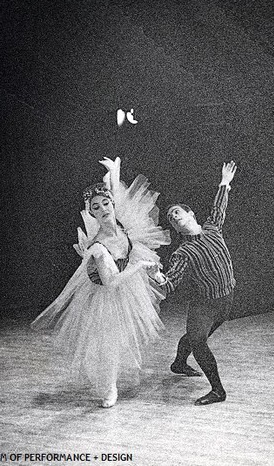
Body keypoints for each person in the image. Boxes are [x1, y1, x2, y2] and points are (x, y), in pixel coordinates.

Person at [31, 157, 170, 408]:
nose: (104, 209)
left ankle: (111, 383)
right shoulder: (97, 246)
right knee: (107, 344)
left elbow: (125, 205)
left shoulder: (123, 225)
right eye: (97, 207)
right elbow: (111, 281)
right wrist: (139, 267)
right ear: (92, 213)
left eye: (106, 203)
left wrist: (113, 174)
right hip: (105, 293)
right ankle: (109, 388)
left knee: (122, 338)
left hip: (128, 285)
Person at [149, 161, 237, 406]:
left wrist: (224, 182)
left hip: (226, 300)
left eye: (177, 212)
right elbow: (169, 285)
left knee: (193, 336)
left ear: (191, 214)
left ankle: (178, 363)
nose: (173, 217)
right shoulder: (182, 253)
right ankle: (218, 390)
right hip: (204, 304)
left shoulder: (212, 228)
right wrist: (157, 275)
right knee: (198, 340)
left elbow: (219, 207)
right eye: (170, 217)